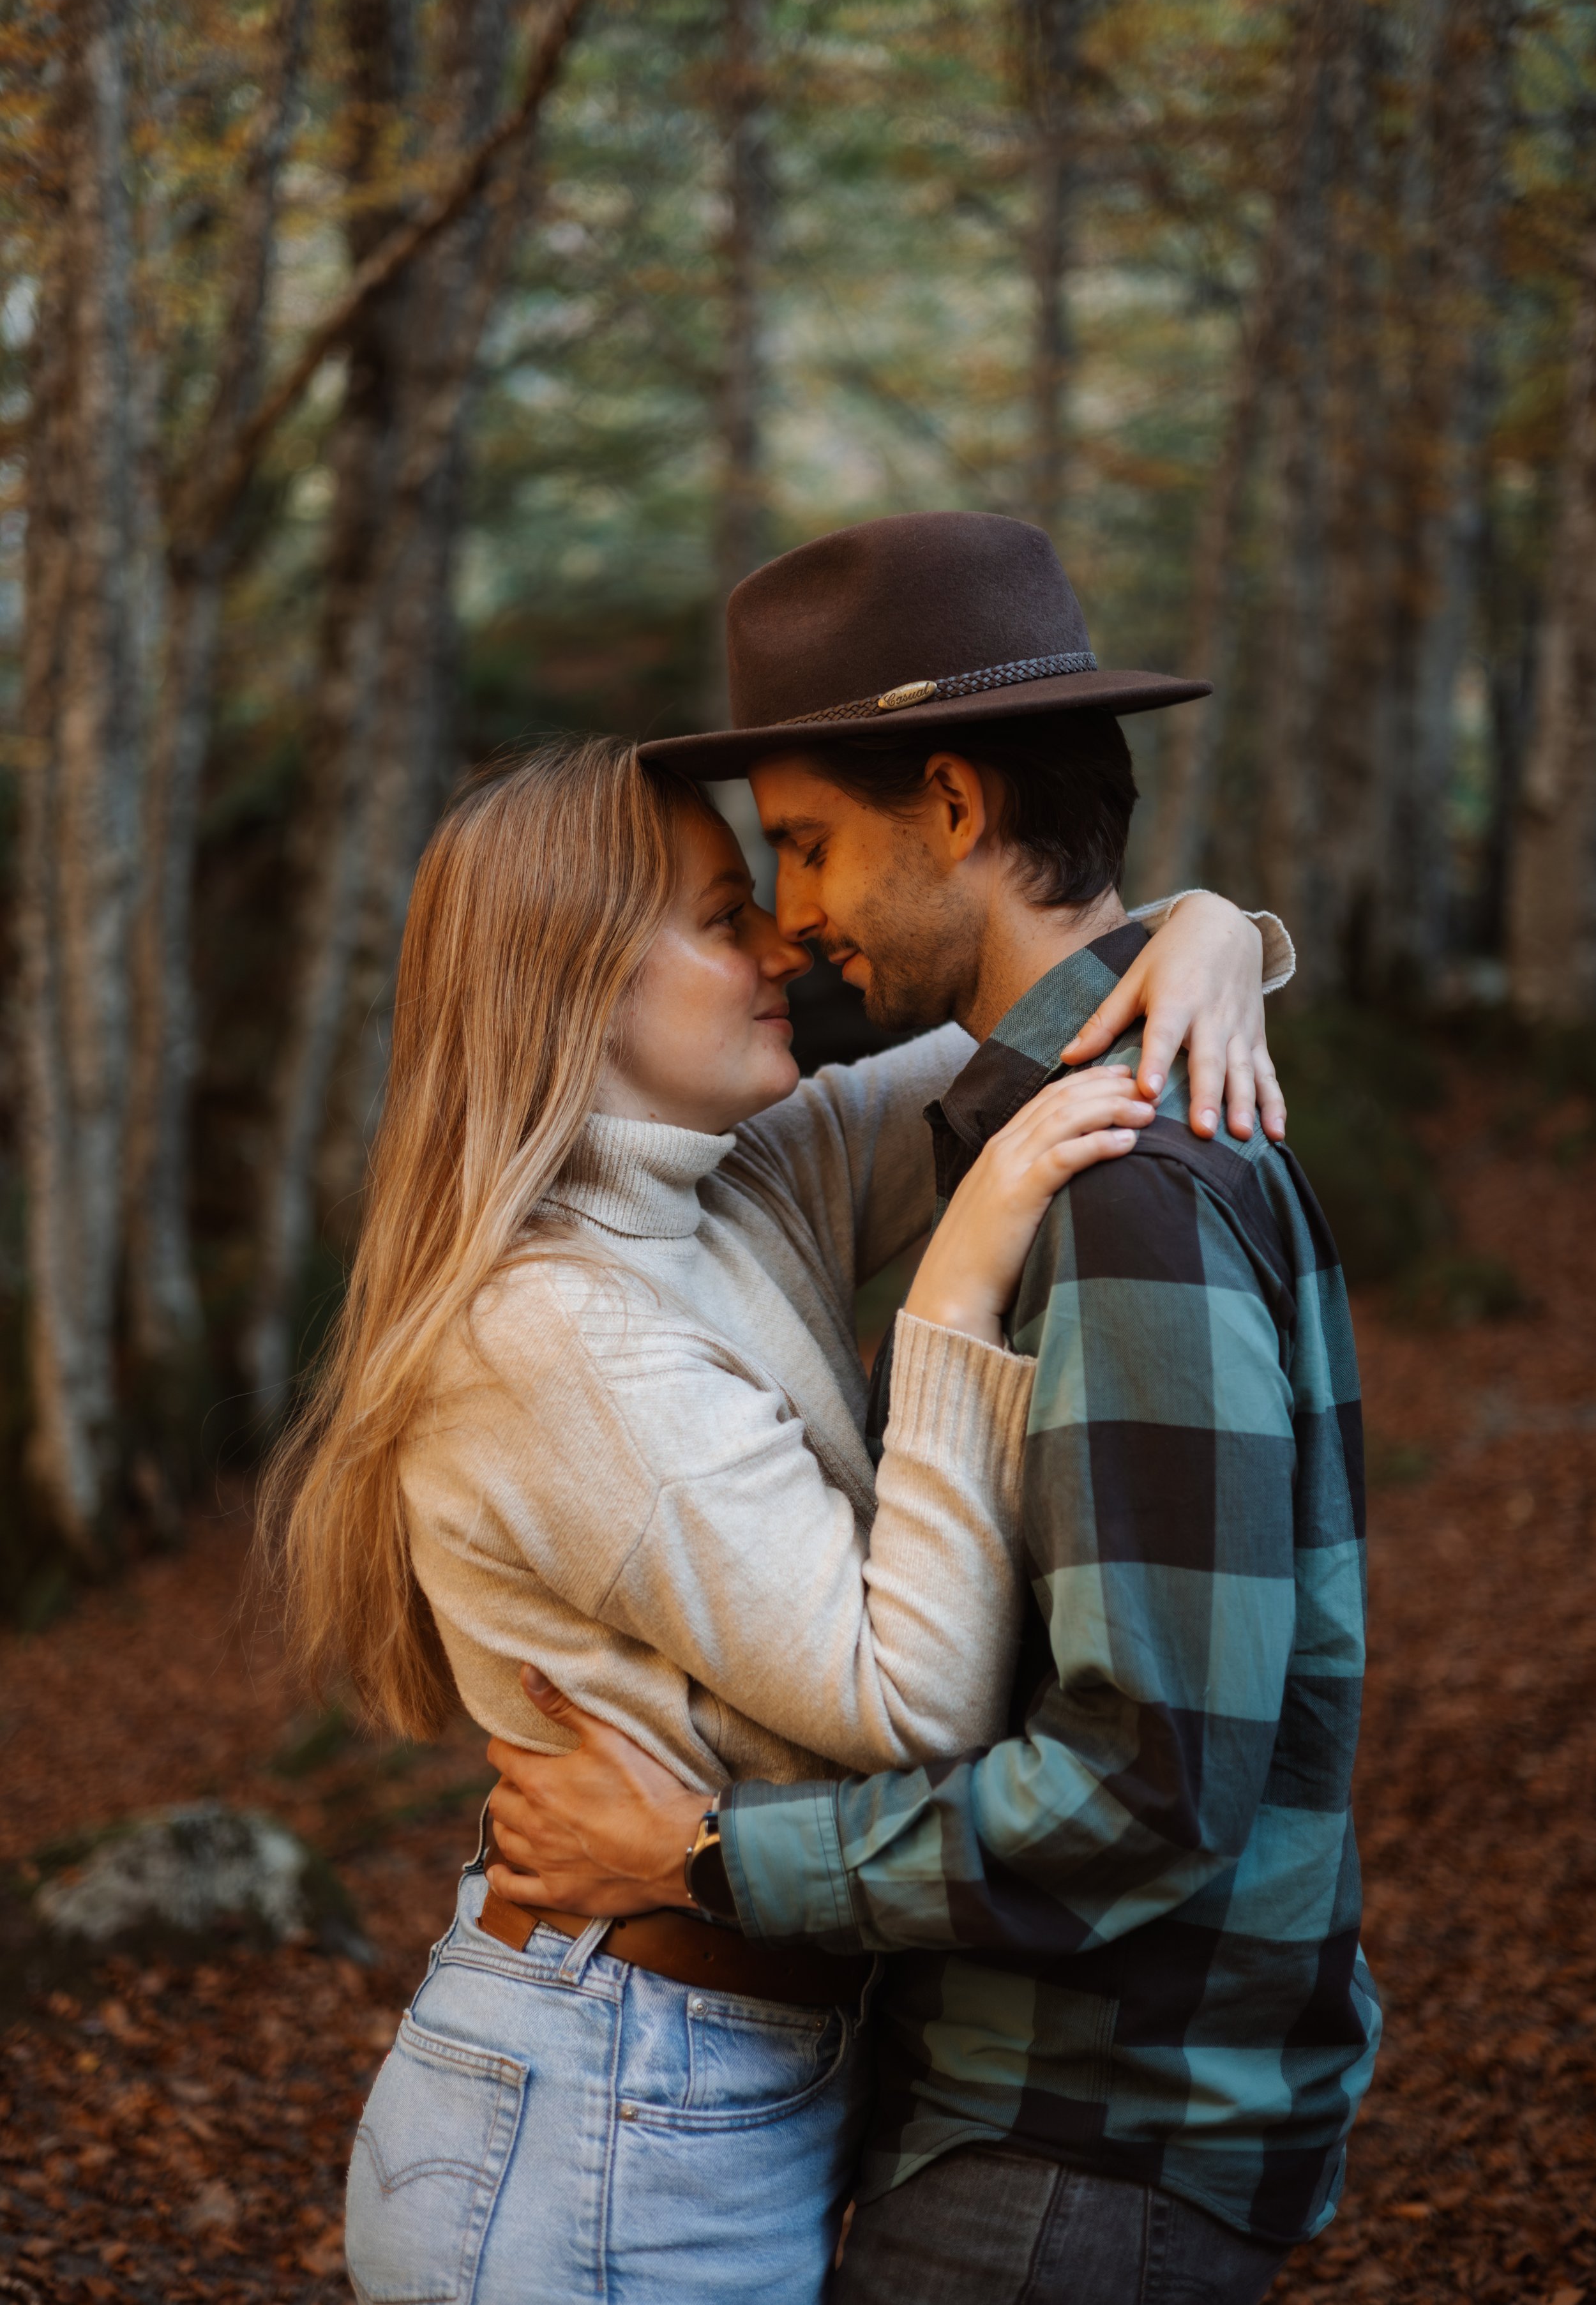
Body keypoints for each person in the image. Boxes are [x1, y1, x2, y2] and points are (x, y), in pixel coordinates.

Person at [266, 634, 1287, 2302]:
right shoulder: (551, 1330)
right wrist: (953, 1289)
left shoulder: (740, 1177)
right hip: (601, 2096)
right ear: (571, 976)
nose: (783, 938)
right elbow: (905, 1702)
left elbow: (1051, 1024)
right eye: (717, 910)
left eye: (770, 887)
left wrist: (1214, 931)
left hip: (707, 2077)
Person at [483, 511, 1381, 2305]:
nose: (794, 917)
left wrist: (710, 1856)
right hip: (1069, 2119)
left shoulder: (1109, 1175)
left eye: (803, 846)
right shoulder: (1052, 1111)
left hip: (1074, 2139)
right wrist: (1214, 922)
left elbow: (1148, 1782)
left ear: (955, 808)